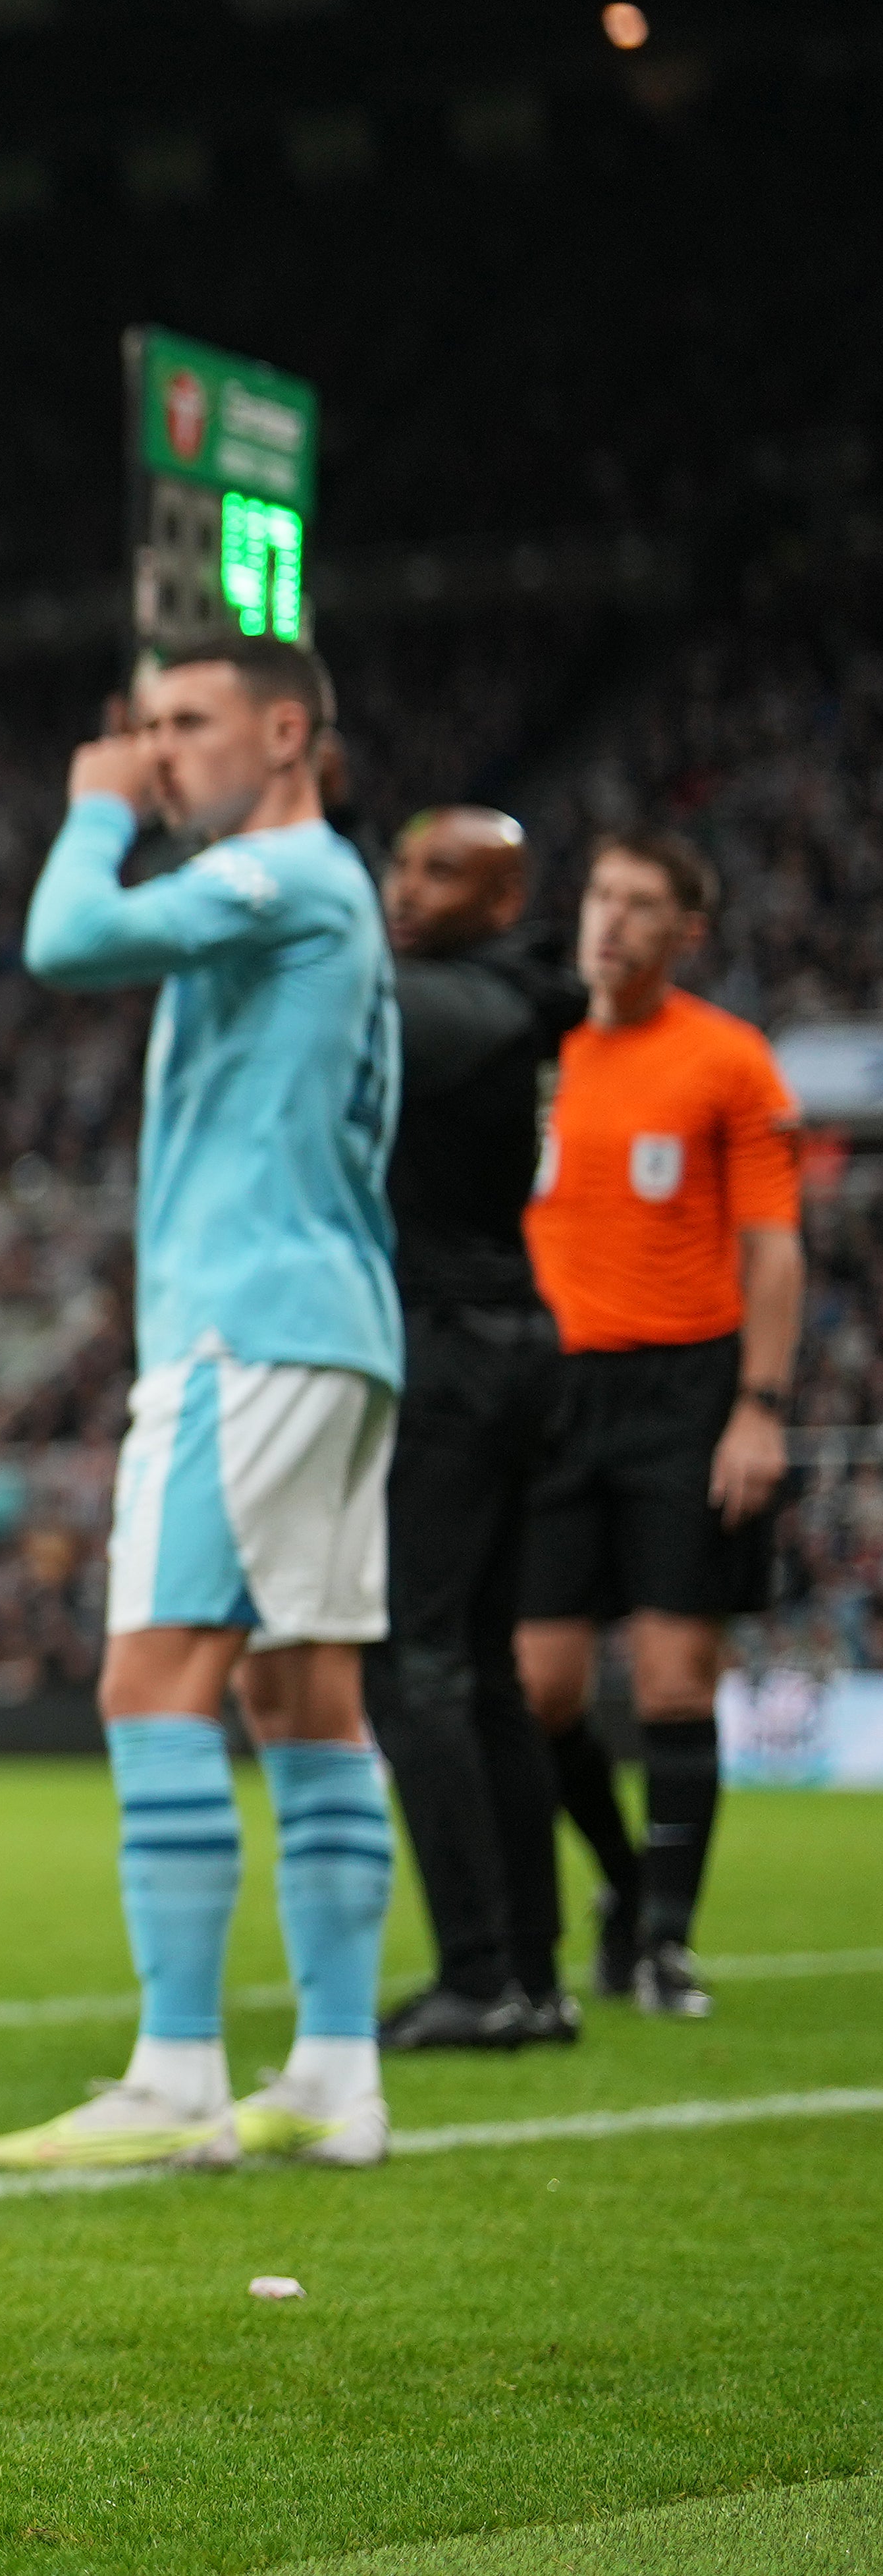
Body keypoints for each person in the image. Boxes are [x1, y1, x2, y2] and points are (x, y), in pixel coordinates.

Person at [0, 641, 402, 2172]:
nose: (158, 751)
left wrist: (94, 806)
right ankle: (336, 2075)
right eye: (143, 728)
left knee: (151, 1683)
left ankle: (175, 2080)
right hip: (337, 1330)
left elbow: (66, 935)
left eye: (188, 723)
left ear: (286, 729)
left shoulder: (282, 875)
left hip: (248, 1333)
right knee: (305, 1700)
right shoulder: (318, 889)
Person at [514, 829, 803, 2019]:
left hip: (686, 1387)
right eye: (600, 897)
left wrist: (761, 1406)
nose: (610, 922)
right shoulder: (533, 1047)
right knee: (542, 1689)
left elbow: (773, 1245)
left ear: (687, 931)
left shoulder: (730, 1062)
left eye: (640, 905)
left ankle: (670, 1943)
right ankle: (625, 1888)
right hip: (549, 1389)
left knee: (679, 1679)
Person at [363, 810, 588, 2052]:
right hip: (506, 1344)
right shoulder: (512, 1001)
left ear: (505, 902)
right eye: (401, 866)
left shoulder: (458, 1009)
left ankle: (480, 1974)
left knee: (422, 1665)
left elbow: (344, 984)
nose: (404, 891)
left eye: (440, 873)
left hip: (452, 1350)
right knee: (485, 1671)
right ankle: (530, 1975)